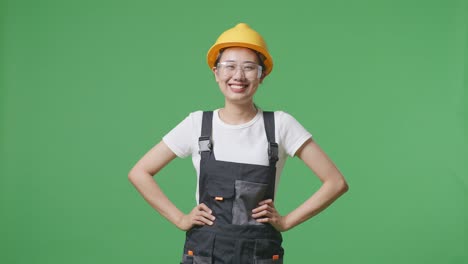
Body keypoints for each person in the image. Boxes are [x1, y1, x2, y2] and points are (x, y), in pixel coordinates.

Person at [128, 23, 349, 264]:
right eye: (229, 66)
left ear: (262, 75)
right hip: (205, 252)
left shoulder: (281, 125)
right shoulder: (197, 124)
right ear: (216, 73)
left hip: (260, 253)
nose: (238, 76)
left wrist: (286, 222)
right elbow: (140, 172)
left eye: (249, 68)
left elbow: (335, 182)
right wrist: (180, 219)